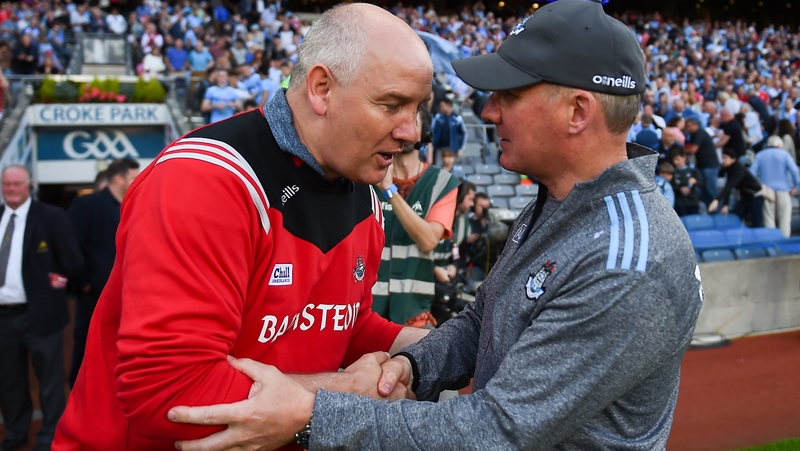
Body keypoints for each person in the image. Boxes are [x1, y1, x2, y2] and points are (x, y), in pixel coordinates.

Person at [167, 2, 704, 450]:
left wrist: (313, 412)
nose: (490, 111)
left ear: (578, 111)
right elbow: (482, 322)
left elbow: (495, 431)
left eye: (510, 95)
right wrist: (414, 367)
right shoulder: (563, 205)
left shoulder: (627, 259)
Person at [52, 4, 432, 450]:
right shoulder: (205, 180)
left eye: (417, 108)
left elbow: (339, 327)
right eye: (391, 105)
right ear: (322, 88)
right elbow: (169, 395)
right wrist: (349, 394)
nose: (412, 131)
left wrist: (436, 349)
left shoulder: (364, 193)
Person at [0, 165, 82, 451]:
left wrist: (53, 287)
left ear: (29, 185)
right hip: (3, 317)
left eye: (17, 184)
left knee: (49, 380)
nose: (11, 189)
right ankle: (15, 434)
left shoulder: (51, 217)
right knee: (9, 381)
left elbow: (71, 263)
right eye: (6, 184)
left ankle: (50, 436)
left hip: (41, 315)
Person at [373, 107, 461, 327]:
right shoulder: (365, 176)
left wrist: (389, 192)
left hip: (413, 313)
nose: (403, 131)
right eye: (397, 123)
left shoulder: (443, 183)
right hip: (365, 311)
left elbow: (429, 240)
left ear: (425, 133)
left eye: (411, 123)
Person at [66, 159, 140, 387]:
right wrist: (86, 283)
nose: (138, 181)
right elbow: (71, 247)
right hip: (94, 295)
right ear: (118, 179)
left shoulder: (136, 205)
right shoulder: (86, 205)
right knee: (88, 346)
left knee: (123, 348)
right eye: (133, 177)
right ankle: (78, 398)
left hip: (131, 296)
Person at [749, 136, 800, 237]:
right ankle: (784, 242)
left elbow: (751, 173)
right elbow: (794, 171)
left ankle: (772, 243)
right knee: (784, 219)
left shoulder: (760, 155)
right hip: (783, 190)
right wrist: (796, 186)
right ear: (779, 145)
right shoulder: (785, 155)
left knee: (769, 219)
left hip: (767, 191)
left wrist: (757, 186)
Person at [709, 147, 764, 226]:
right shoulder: (728, 169)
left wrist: (717, 200)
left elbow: (730, 185)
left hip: (755, 196)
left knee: (756, 219)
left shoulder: (739, 170)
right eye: (722, 158)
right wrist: (725, 204)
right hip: (745, 197)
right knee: (737, 216)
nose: (723, 160)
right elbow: (728, 185)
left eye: (725, 158)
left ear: (733, 159)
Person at [684, 117, 721, 205]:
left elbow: (693, 150)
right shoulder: (694, 135)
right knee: (704, 190)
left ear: (696, 125)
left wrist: (683, 150)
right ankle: (710, 209)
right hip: (703, 165)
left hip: (709, 166)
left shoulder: (700, 133)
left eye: (689, 126)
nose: (688, 129)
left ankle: (719, 210)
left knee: (711, 189)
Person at [430, 97, 467, 165]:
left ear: (448, 106)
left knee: (452, 168)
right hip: (439, 147)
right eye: (440, 106)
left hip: (452, 147)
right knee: (438, 167)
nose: (441, 108)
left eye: (442, 106)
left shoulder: (457, 118)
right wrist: (432, 145)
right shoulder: (438, 118)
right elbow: (433, 132)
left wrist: (461, 148)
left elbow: (464, 133)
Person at [669, 147, 704, 216]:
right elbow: (670, 185)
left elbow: (701, 183)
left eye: (678, 159)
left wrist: (695, 182)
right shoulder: (673, 172)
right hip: (680, 203)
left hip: (693, 202)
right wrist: (680, 189)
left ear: (684, 158)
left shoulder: (693, 170)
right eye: (674, 159)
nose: (675, 162)